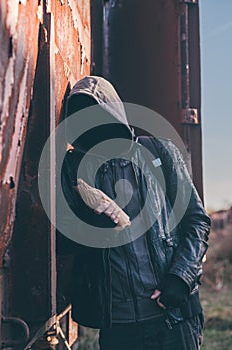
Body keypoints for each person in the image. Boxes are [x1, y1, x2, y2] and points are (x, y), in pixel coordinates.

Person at [59, 76, 211, 350]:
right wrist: (93, 227)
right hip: (120, 328)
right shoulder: (73, 168)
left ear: (113, 111)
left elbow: (196, 221)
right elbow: (61, 239)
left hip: (173, 317)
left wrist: (181, 277)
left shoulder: (160, 151)